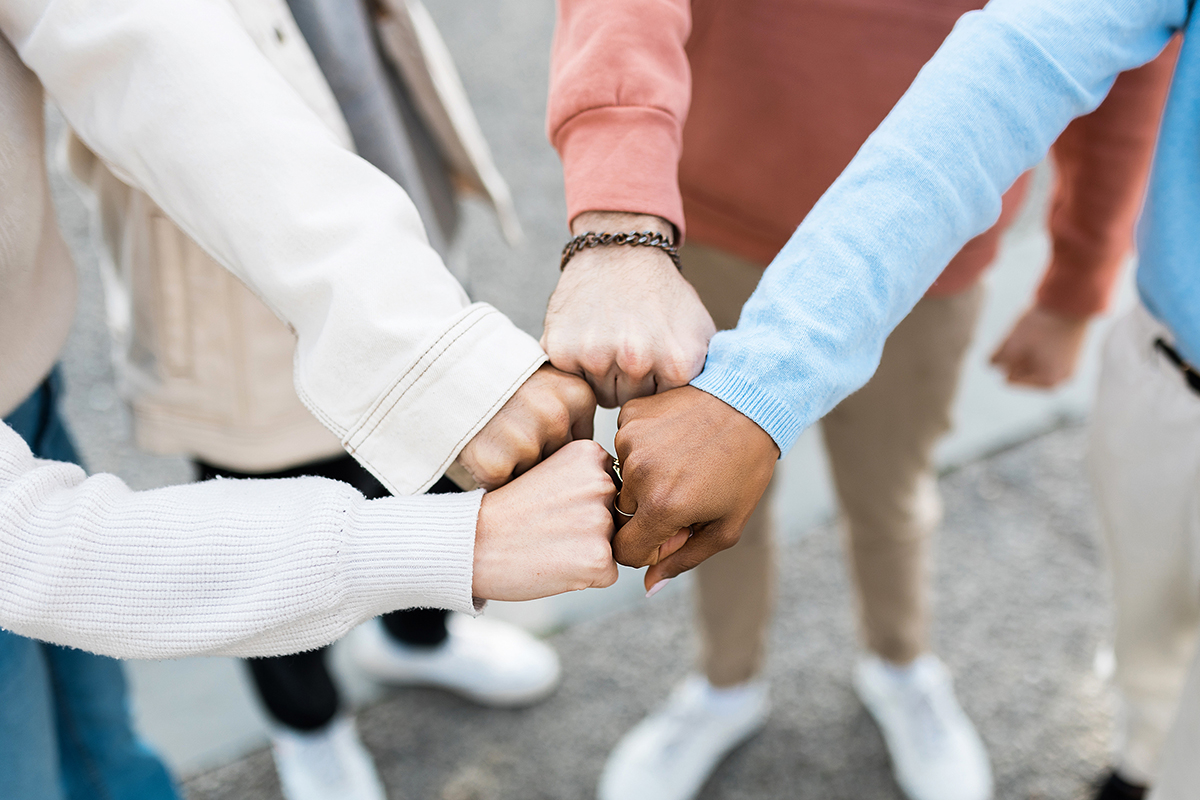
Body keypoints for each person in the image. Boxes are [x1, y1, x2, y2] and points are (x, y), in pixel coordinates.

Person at [552, 0, 1199, 797]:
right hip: (717, 214)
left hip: (931, 261)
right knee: (697, 499)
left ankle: (901, 666)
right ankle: (723, 682)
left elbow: (1110, 70)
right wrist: (620, 214)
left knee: (889, 493)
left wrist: (1076, 282)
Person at [0, 0, 615, 798]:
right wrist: (458, 546)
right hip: (202, 285)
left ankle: (416, 641)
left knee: (102, 737)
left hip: (27, 365)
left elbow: (134, 33)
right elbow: (40, 552)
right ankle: (308, 725)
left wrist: (429, 354)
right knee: (250, 501)